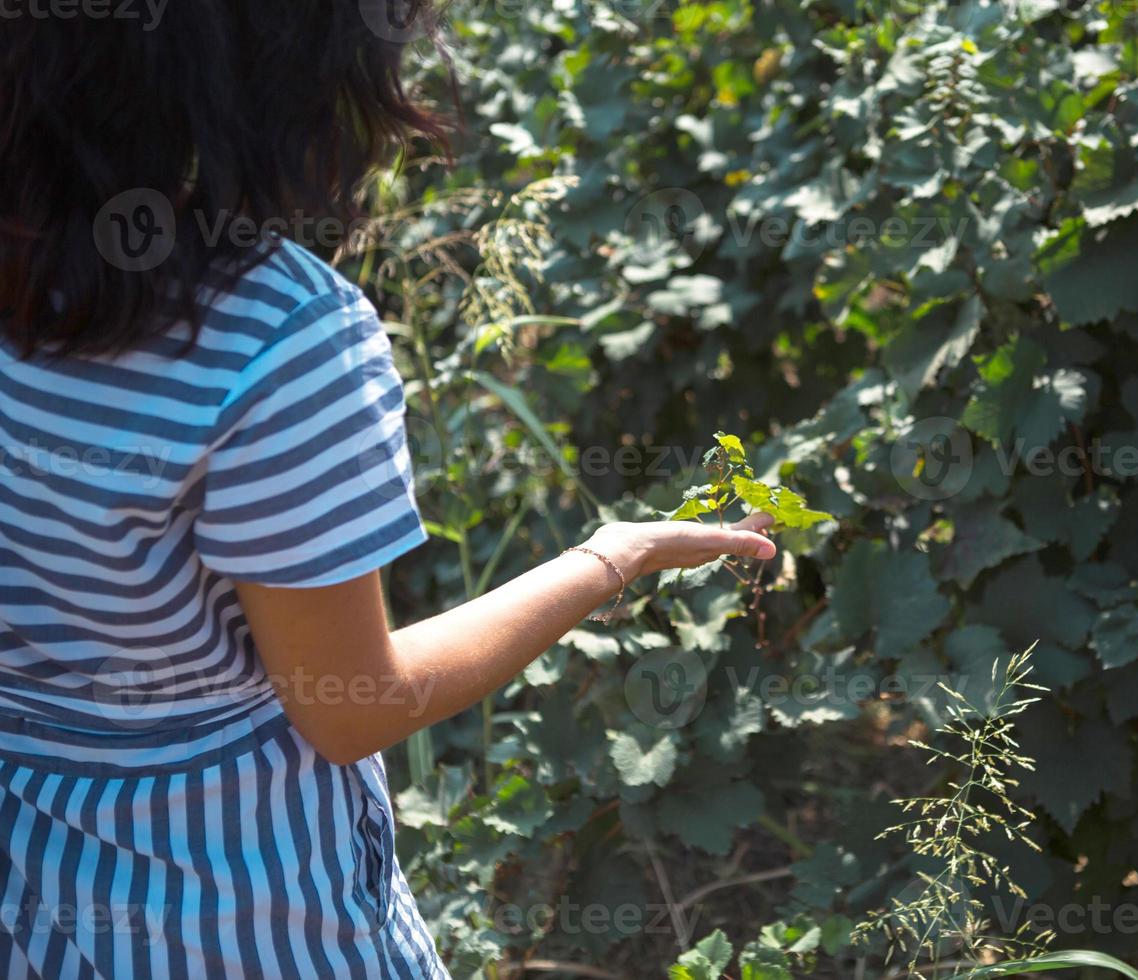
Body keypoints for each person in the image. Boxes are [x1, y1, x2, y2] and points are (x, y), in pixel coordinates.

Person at [0, 4, 775, 976]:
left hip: (39, 890)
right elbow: (353, 703)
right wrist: (606, 557)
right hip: (250, 912)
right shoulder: (278, 340)